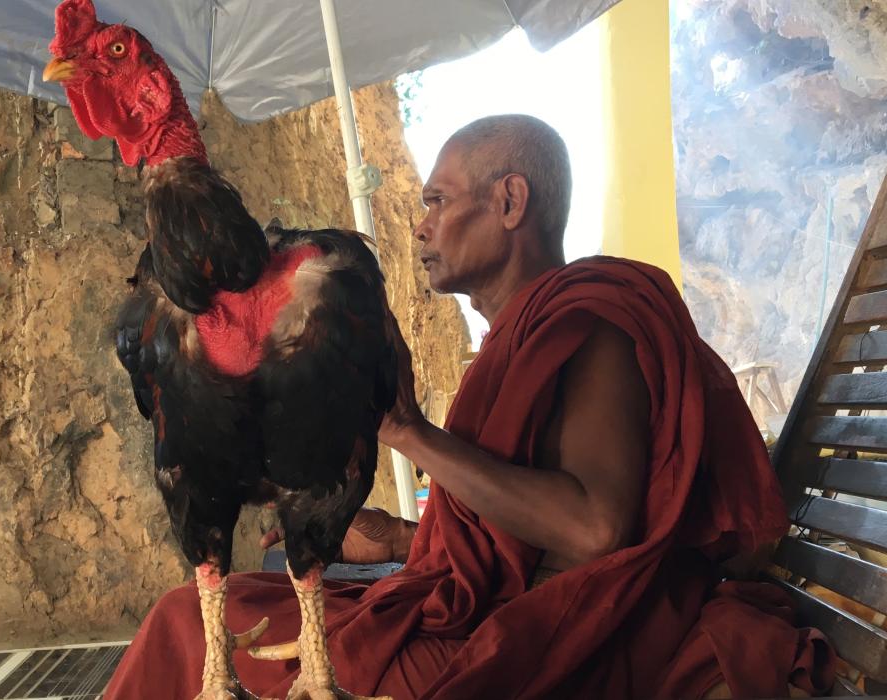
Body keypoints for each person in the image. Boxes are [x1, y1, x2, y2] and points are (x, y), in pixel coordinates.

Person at [104, 115, 834, 699]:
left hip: (555, 641)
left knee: (191, 630)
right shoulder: (519, 337)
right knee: (200, 609)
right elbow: (517, 530)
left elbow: (592, 528)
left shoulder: (593, 322)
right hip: (478, 605)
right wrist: (399, 539)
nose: (421, 227)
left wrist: (407, 432)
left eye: (437, 202)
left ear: (511, 202)